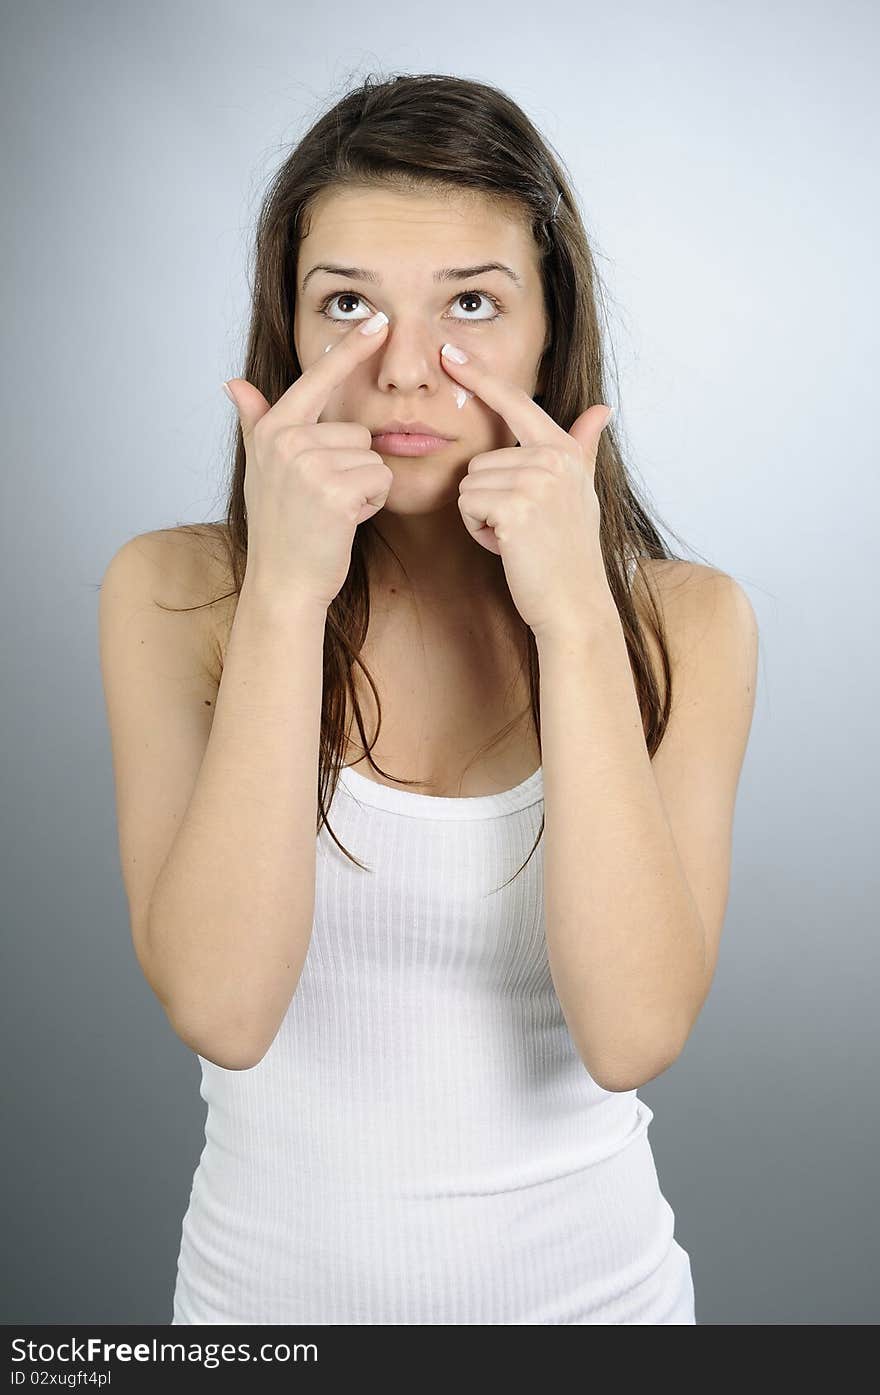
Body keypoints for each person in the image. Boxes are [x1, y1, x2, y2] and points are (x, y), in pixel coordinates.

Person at [98, 73, 758, 1325]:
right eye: (347, 304)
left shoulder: (688, 622)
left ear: (548, 333)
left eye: (469, 304)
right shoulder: (176, 593)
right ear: (284, 330)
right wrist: (289, 599)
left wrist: (573, 617)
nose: (403, 370)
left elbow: (631, 1035)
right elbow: (224, 1011)